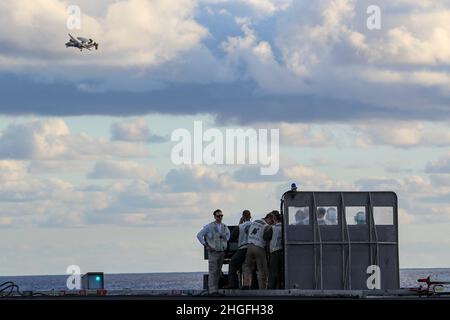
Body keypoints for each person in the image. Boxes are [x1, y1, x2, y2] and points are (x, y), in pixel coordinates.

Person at [196, 209, 230, 295]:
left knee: (218, 271)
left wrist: (224, 243)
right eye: (218, 216)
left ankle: (216, 289)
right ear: (215, 217)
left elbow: (228, 236)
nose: (220, 217)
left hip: (221, 252)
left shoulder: (224, 227)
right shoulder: (209, 227)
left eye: (221, 216)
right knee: (213, 271)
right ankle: (212, 290)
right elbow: (199, 235)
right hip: (213, 252)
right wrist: (206, 245)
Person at [242, 212, 274, 289]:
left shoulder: (255, 222)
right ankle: (262, 287)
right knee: (262, 269)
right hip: (259, 247)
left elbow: (246, 230)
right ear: (268, 219)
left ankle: (246, 284)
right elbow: (266, 238)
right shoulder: (267, 226)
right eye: (271, 221)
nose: (272, 223)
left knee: (248, 266)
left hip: (249, 246)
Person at [227, 210, 252, 289]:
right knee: (248, 266)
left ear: (243, 217)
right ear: (250, 217)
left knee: (232, 264)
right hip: (252, 248)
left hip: (243, 248)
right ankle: (248, 285)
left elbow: (232, 237)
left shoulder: (240, 226)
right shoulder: (254, 224)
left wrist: (239, 224)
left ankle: (233, 284)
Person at [265, 211, 283, 289]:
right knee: (282, 272)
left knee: (273, 272)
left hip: (274, 252)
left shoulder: (272, 228)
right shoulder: (285, 227)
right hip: (283, 252)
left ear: (275, 219)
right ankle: (281, 287)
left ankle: (270, 288)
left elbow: (265, 237)